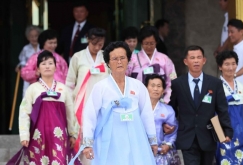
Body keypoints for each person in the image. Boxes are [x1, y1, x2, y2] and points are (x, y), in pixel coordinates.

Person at [81, 41, 157, 165]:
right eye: (115, 59)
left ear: (128, 59)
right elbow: (90, 116)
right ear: (108, 63)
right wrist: (88, 144)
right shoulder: (100, 87)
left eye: (122, 58)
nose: (119, 62)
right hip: (111, 140)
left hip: (136, 139)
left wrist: (152, 140)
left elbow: (147, 114)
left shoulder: (138, 86)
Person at [169, 45, 233, 165]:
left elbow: (222, 109)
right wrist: (167, 124)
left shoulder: (215, 83)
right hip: (187, 136)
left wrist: (227, 131)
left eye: (199, 57)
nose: (196, 61)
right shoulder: (178, 84)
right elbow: (172, 109)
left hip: (208, 135)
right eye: (192, 58)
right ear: (185, 61)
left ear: (204, 60)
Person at [12, 51, 79, 164]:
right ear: (37, 69)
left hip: (59, 135)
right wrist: (24, 135)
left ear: (55, 67)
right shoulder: (32, 89)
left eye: (50, 63)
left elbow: (70, 113)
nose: (47, 66)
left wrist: (73, 134)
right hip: (37, 135)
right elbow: (24, 112)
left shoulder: (64, 89)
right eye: (43, 64)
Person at [66, 27, 109, 165]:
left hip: (103, 103)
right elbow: (70, 82)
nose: (97, 47)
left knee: (101, 136)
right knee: (84, 136)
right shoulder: (78, 57)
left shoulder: (107, 56)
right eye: (94, 43)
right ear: (88, 40)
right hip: (82, 103)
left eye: (100, 44)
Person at [215, 50, 243, 164]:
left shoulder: (241, 87)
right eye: (227, 64)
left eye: (233, 63)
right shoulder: (215, 87)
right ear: (220, 67)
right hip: (223, 137)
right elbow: (211, 114)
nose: (231, 68)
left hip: (241, 136)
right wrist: (220, 136)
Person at [126, 25, 177, 104]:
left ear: (156, 42)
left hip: (161, 103)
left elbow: (172, 81)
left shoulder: (165, 59)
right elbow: (125, 79)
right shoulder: (132, 59)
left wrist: (166, 100)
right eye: (146, 43)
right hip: (137, 102)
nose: (149, 46)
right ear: (141, 42)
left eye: (152, 43)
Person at [145, 74, 181, 165]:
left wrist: (168, 145)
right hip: (141, 150)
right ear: (145, 88)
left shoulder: (168, 110)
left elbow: (173, 131)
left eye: (159, 86)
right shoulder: (137, 108)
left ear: (163, 91)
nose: (156, 89)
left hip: (160, 152)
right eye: (152, 86)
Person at [15, 25, 41, 96]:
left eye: (36, 36)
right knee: (27, 94)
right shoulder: (25, 49)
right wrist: (20, 66)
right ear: (27, 37)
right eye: (31, 36)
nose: (34, 38)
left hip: (40, 75)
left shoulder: (42, 47)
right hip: (29, 76)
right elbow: (22, 61)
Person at [227, 18, 243, 96]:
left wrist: (233, 75)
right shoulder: (234, 49)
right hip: (236, 89)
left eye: (232, 32)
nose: (229, 35)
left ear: (241, 32)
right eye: (228, 32)